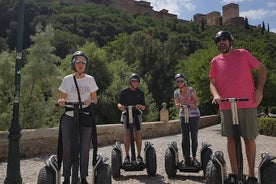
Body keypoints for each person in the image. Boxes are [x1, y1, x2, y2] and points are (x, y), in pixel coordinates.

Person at [209, 31, 267, 184]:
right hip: (226, 105)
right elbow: (212, 82)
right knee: (231, 139)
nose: (222, 42)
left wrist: (259, 90)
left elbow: (262, 69)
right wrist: (216, 95)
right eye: (218, 40)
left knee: (249, 139)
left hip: (247, 103)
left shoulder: (242, 54)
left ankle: (251, 175)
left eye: (224, 39)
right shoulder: (215, 61)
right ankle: (234, 174)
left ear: (230, 41)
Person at [57, 50, 99, 184]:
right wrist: (61, 101)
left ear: (86, 64)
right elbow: (61, 98)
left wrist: (89, 101)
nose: (81, 64)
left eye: (83, 62)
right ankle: (66, 177)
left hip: (85, 116)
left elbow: (95, 99)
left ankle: (83, 177)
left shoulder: (90, 79)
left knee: (85, 147)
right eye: (78, 61)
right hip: (69, 115)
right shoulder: (67, 79)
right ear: (73, 63)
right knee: (67, 147)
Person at [117, 73, 146, 164]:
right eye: (133, 81)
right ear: (130, 81)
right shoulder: (124, 92)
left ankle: (139, 156)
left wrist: (140, 106)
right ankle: (127, 156)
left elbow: (144, 107)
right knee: (127, 135)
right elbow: (119, 103)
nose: (135, 83)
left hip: (137, 115)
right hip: (126, 114)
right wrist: (120, 107)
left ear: (138, 82)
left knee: (138, 134)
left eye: (136, 81)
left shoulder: (140, 93)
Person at [174, 73, 201, 167]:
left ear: (184, 81)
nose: (180, 82)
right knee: (184, 138)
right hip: (183, 115)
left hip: (194, 115)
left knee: (194, 137)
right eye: (178, 81)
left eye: (181, 80)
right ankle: (186, 158)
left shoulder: (191, 90)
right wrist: (178, 105)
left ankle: (194, 158)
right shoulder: (176, 92)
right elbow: (177, 103)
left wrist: (193, 105)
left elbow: (197, 101)